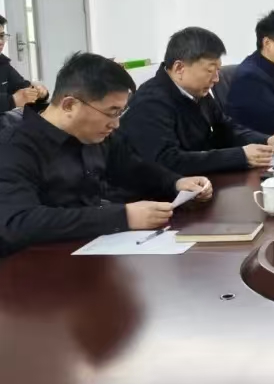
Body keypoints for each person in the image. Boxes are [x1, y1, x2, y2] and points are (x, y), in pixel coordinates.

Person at [0, 52, 212, 259]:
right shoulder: (14, 148)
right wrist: (123, 217)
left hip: (92, 251)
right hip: (34, 265)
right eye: (111, 112)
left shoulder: (95, 134)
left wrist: (175, 183)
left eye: (121, 112)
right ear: (70, 105)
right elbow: (19, 222)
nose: (116, 124)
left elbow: (132, 168)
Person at [120, 27, 274, 175]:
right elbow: (168, 161)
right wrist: (240, 156)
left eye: (218, 70)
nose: (216, 79)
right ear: (179, 68)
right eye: (210, 70)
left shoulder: (197, 92)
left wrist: (266, 140)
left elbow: (225, 128)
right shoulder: (150, 103)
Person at [0, 13, 49, 111]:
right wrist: (12, 100)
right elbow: (16, 98)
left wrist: (39, 92)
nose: (1, 42)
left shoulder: (3, 63)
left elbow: (21, 86)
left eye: (1, 36)